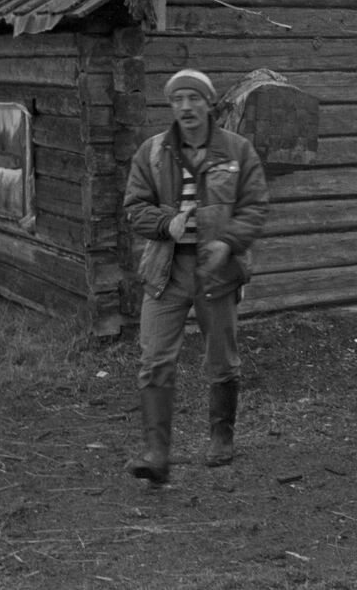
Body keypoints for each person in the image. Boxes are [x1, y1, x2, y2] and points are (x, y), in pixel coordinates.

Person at [123, 68, 269, 484]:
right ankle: (156, 454)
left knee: (222, 360)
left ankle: (221, 437)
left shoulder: (237, 151)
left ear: (209, 104)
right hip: (165, 270)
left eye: (193, 99)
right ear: (171, 106)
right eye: (177, 100)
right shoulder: (152, 152)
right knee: (154, 361)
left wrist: (229, 241)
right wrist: (166, 222)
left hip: (215, 271)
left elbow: (255, 206)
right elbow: (133, 207)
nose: (185, 107)